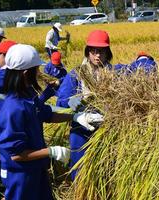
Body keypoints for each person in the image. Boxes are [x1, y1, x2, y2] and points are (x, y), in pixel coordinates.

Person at [0, 44, 103, 200]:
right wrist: (52, 151)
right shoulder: (13, 108)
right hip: (19, 174)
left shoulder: (28, 95)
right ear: (26, 73)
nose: (39, 73)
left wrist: (75, 116)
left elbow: (47, 114)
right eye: (36, 70)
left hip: (36, 167)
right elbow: (17, 154)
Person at [56, 30, 113, 180]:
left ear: (107, 52)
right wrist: (70, 101)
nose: (97, 55)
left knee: (105, 168)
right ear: (88, 52)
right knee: (80, 170)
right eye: (93, 51)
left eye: (101, 51)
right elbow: (61, 101)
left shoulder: (114, 73)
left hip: (108, 128)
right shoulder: (77, 74)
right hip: (82, 127)